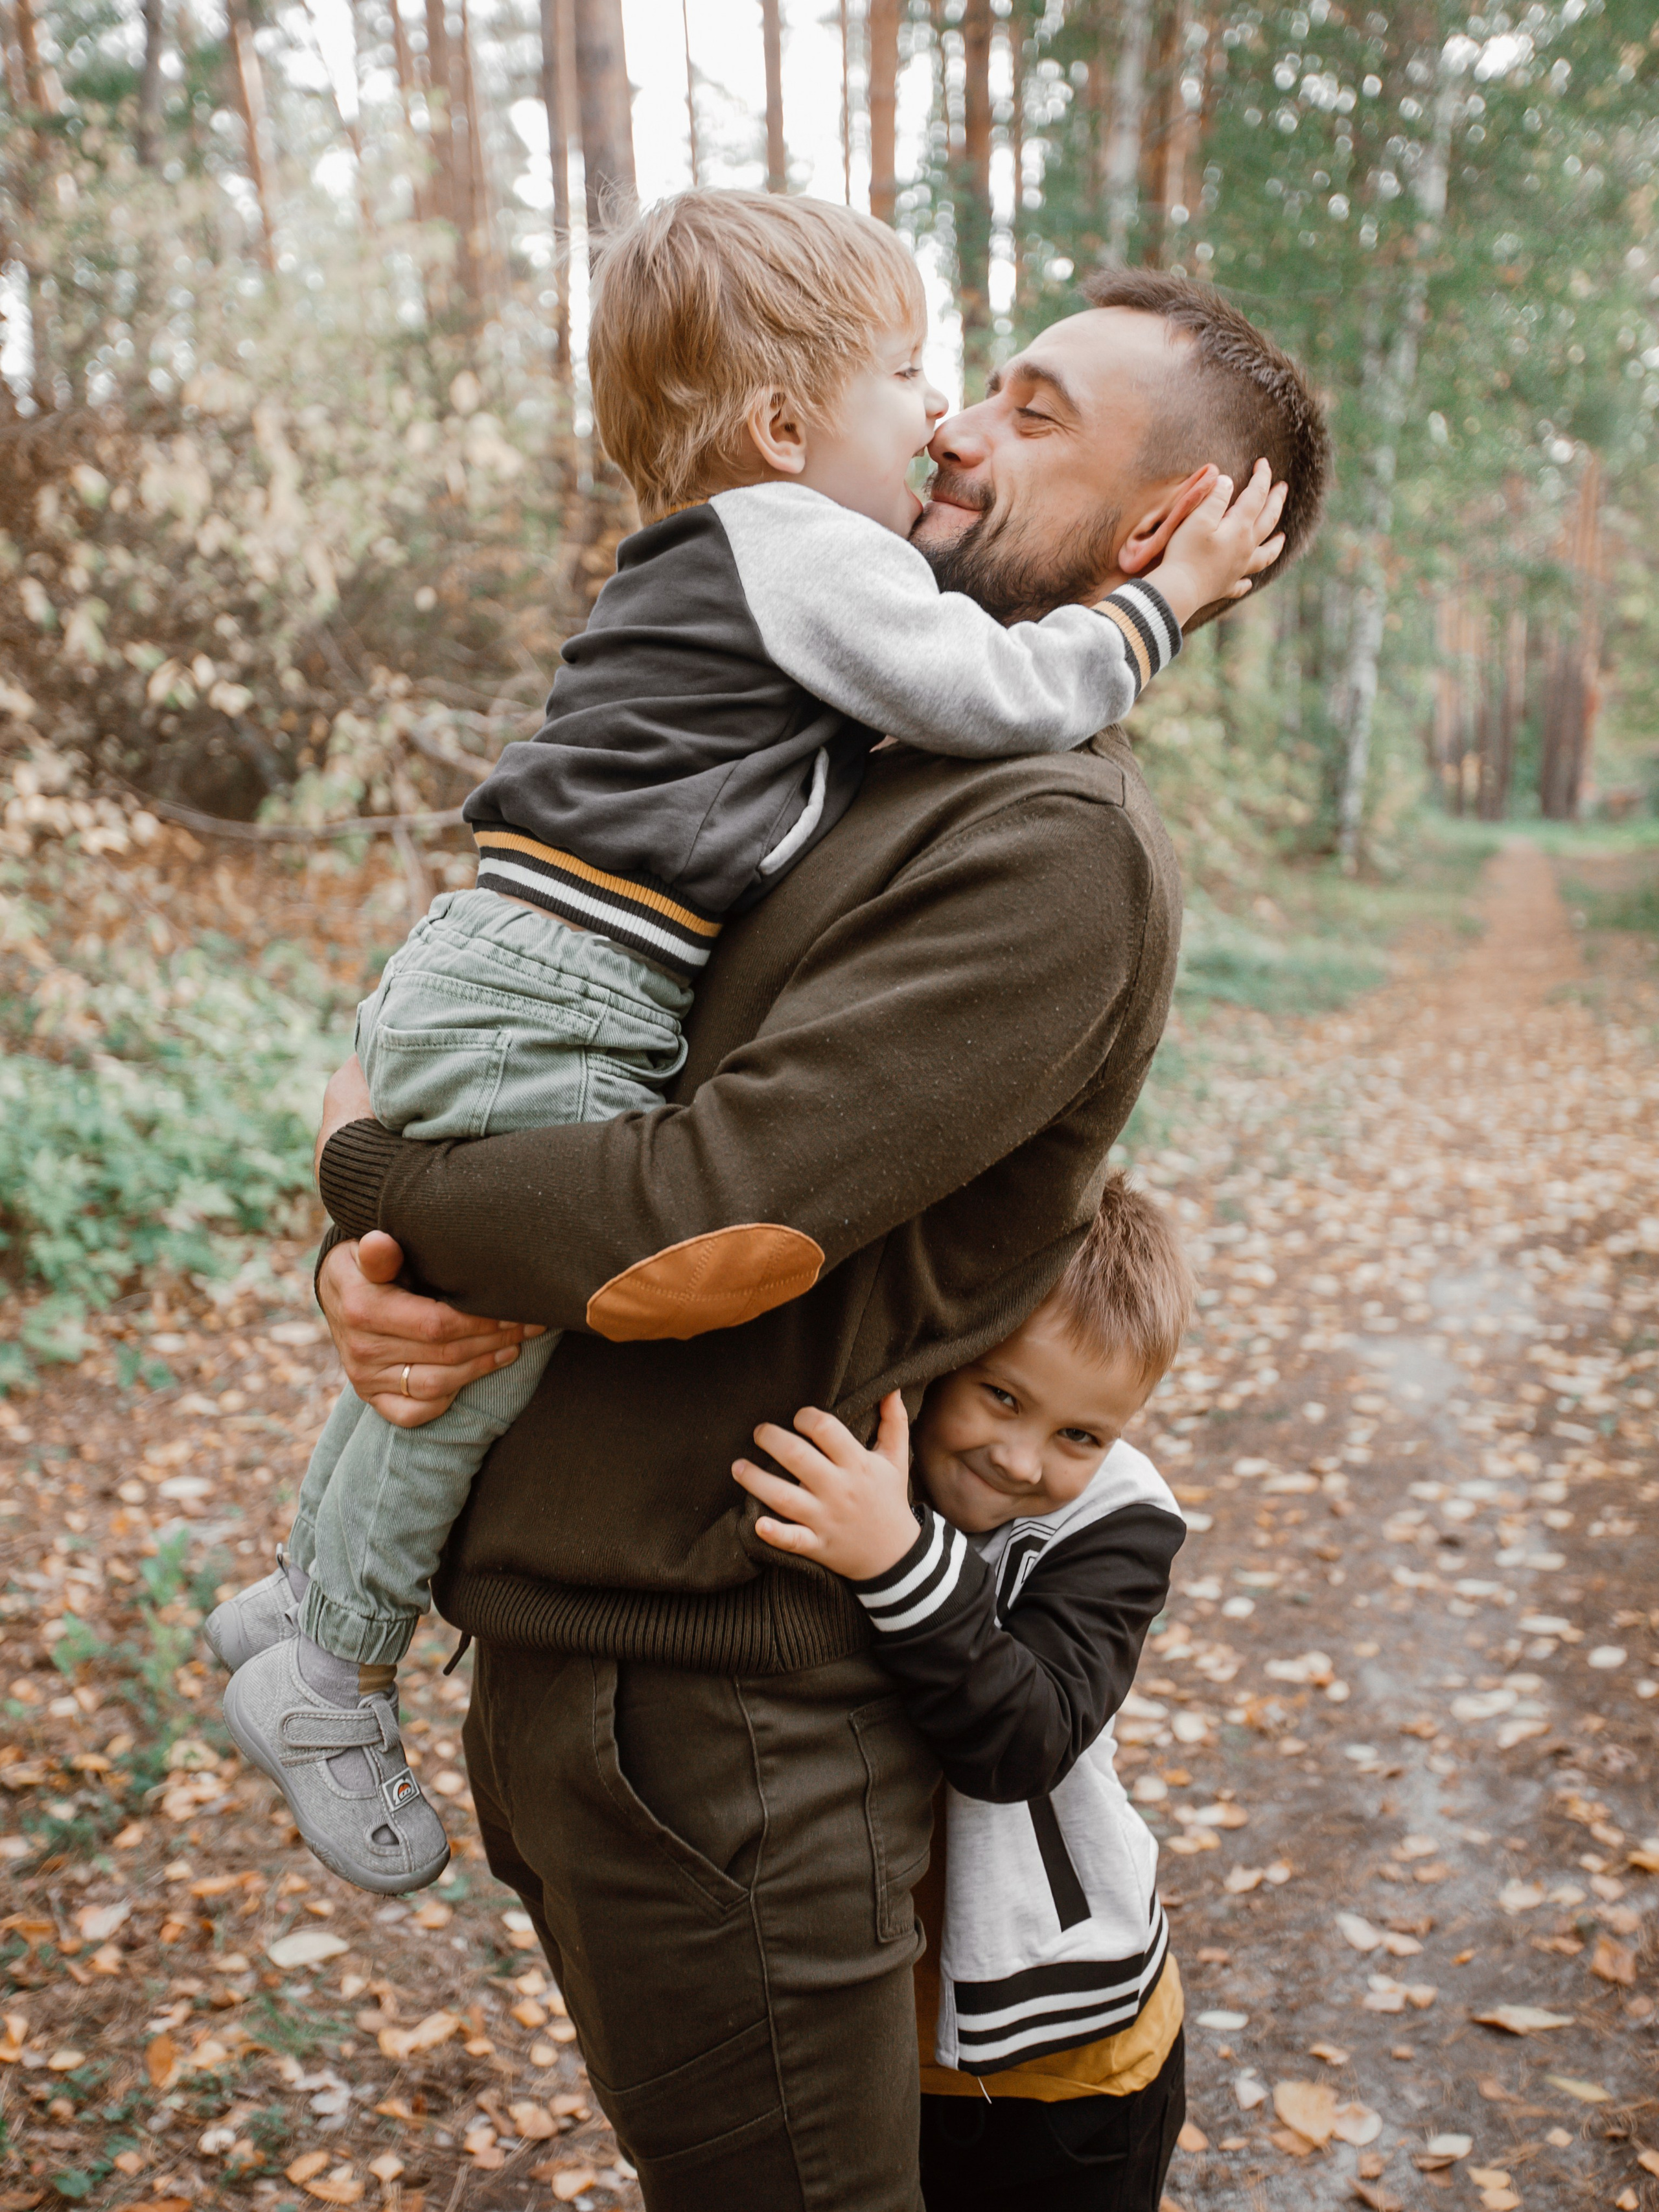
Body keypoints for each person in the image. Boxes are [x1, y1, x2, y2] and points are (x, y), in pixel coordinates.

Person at [308, 265, 1331, 2207]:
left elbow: (705, 1225)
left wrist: (375, 1180)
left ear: (1154, 537)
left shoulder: (1048, 844)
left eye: (1030, 412)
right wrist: (385, 1274)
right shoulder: (831, 763)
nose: (949, 424)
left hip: (723, 1716)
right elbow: (556, 1088)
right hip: (587, 1669)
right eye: (972, 387)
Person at [731, 1175, 1193, 2211]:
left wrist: (895, 1560)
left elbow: (1023, 1737)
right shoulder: (874, 1436)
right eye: (1002, 1394)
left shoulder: (1123, 1525)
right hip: (880, 2044)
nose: (1022, 1458)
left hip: (1069, 2063)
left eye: (1083, 1434)